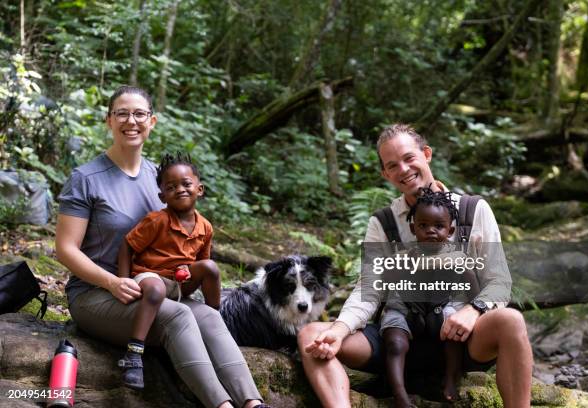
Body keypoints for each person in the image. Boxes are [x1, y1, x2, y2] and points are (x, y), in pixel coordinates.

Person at [56, 85, 270, 408]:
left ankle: (252, 403)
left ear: (151, 122)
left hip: (157, 288)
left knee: (211, 318)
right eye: (122, 113)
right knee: (178, 317)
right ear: (109, 121)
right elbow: (65, 249)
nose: (131, 121)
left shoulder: (161, 178)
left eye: (139, 114)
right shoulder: (86, 178)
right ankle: (221, 405)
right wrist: (112, 282)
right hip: (96, 294)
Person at [298, 124, 533, 408]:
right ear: (385, 174)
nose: (404, 169)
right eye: (392, 165)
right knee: (312, 335)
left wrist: (474, 310)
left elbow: (499, 281)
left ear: (426, 154)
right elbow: (369, 290)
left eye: (409, 158)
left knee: (511, 320)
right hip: (398, 339)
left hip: (460, 340)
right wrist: (338, 330)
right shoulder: (383, 224)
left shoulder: (473, 210)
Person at [116, 152, 222, 390]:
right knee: (154, 289)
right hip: (151, 276)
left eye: (186, 184)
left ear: (200, 189)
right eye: (172, 187)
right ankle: (133, 355)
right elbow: (127, 246)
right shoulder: (157, 221)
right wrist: (123, 281)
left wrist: (191, 271)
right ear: (162, 195)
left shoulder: (205, 227)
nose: (180, 190)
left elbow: (201, 263)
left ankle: (215, 317)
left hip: (180, 282)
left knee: (210, 267)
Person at [381, 187, 479, 406]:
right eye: (423, 226)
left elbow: (474, 292)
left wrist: (475, 309)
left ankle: (451, 378)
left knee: (453, 328)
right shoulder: (402, 257)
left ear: (450, 230)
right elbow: (385, 284)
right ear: (413, 228)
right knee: (395, 343)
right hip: (404, 308)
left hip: (441, 308)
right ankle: (399, 394)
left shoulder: (457, 259)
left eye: (439, 226)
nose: (431, 231)